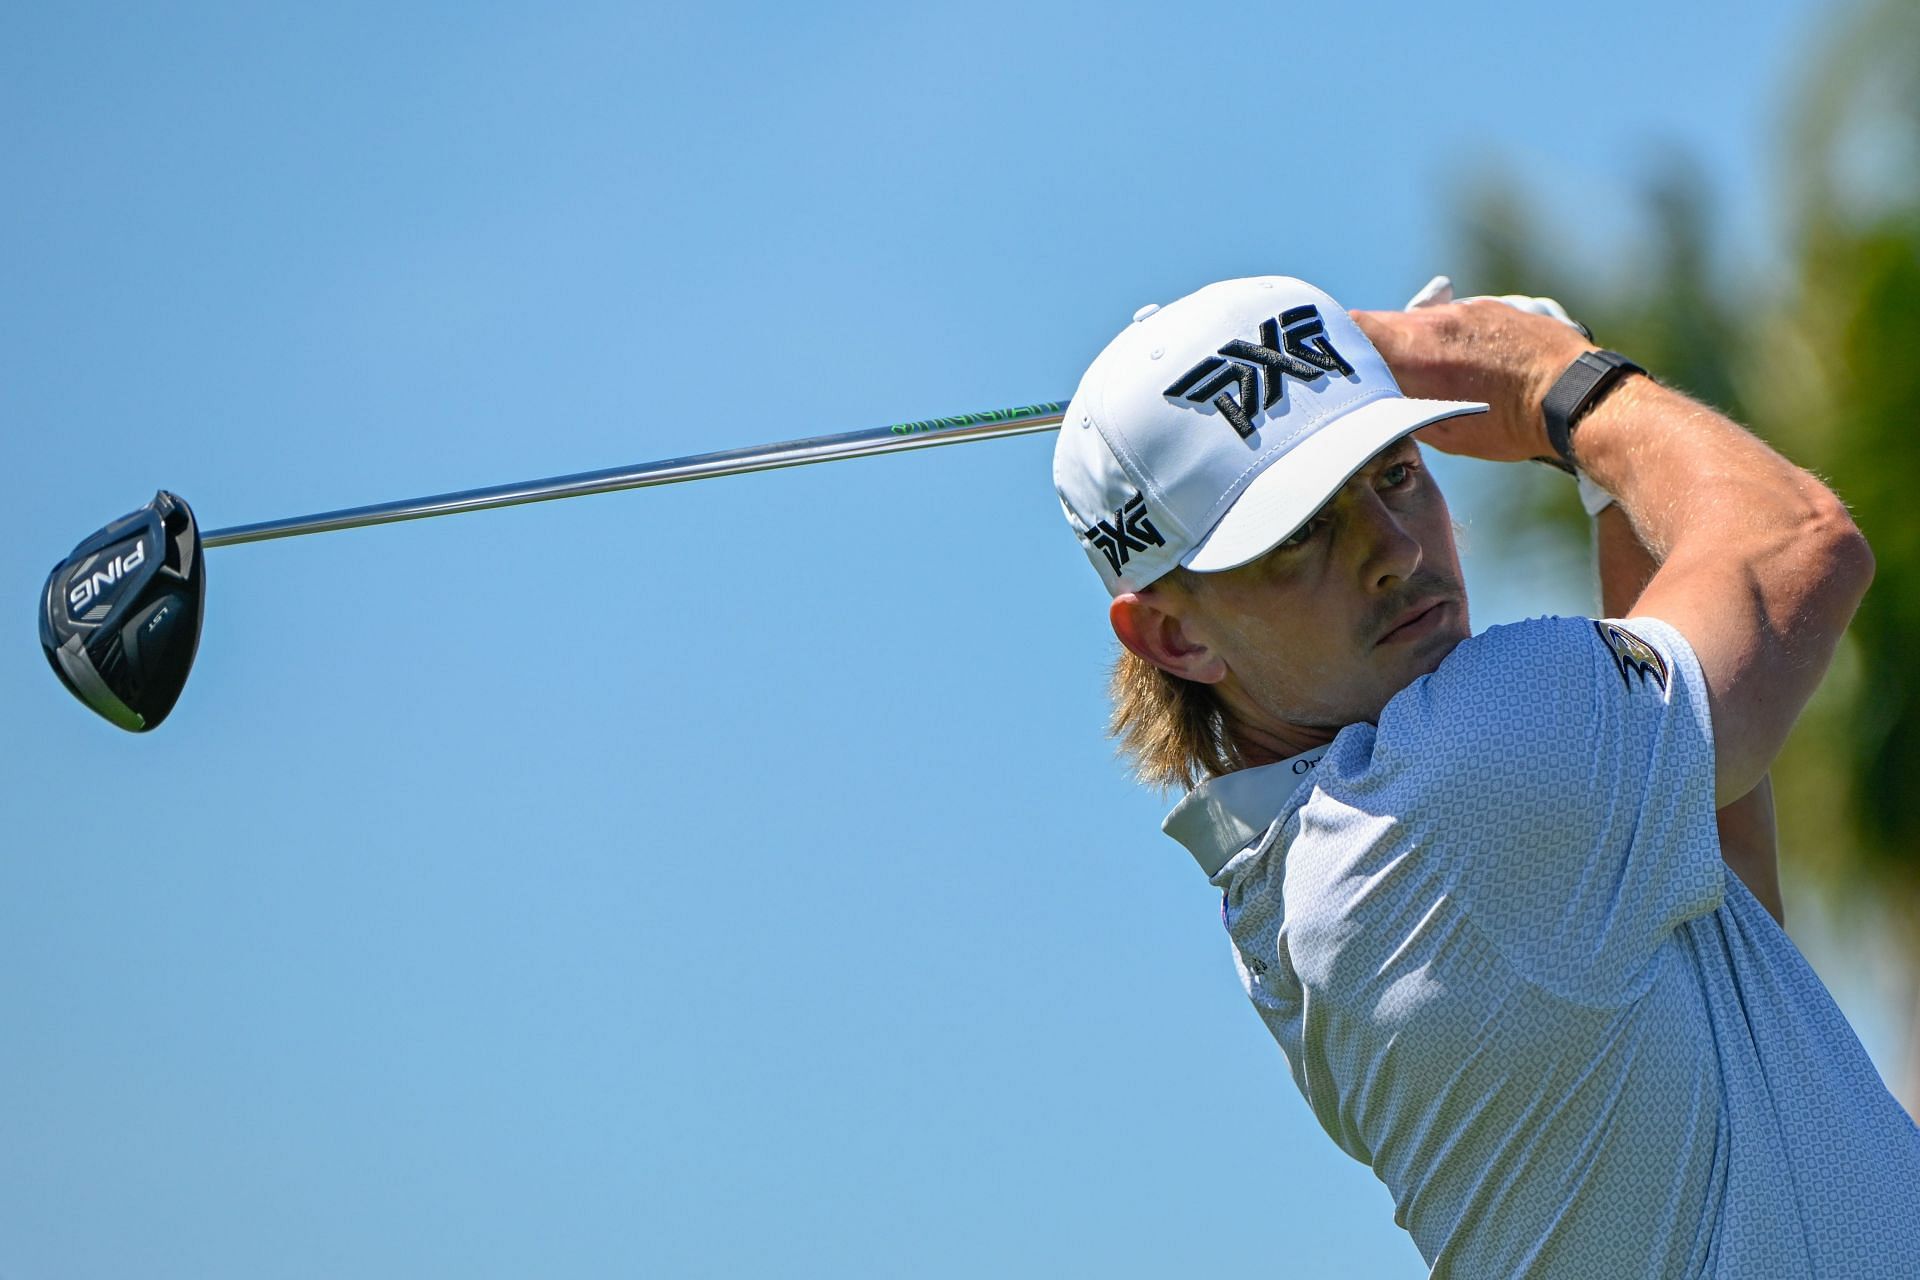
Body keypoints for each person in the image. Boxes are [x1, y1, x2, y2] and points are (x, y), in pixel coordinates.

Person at [1052, 274, 1920, 1276]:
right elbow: (1799, 540)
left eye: (1394, 473)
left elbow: (1716, 850)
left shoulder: (1298, 877)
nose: (1393, 548)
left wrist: (1604, 478)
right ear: (1172, 632)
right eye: (1300, 535)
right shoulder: (1452, 782)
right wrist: (1554, 379)